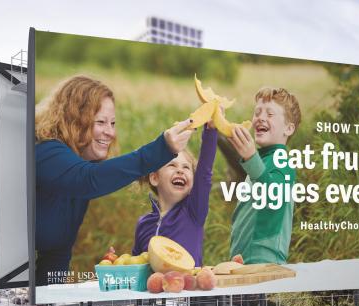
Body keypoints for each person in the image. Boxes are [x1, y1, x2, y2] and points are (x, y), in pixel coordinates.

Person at [35, 75, 193, 285]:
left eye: (112, 123)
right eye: (100, 122)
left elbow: (56, 254)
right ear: (73, 120)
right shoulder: (46, 152)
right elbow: (89, 179)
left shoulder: (79, 170)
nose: (110, 132)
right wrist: (162, 148)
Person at [228, 87, 302, 264]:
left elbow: (272, 195)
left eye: (270, 114)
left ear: (288, 129)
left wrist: (251, 158)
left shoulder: (282, 162)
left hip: (266, 261)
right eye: (257, 112)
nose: (260, 117)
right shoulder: (261, 160)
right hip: (243, 259)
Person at [132, 121, 217, 267]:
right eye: (172, 165)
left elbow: (204, 173)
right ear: (154, 177)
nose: (180, 170)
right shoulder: (143, 224)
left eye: (186, 167)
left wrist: (211, 131)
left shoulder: (193, 212)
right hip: (154, 288)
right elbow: (135, 265)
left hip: (188, 289)